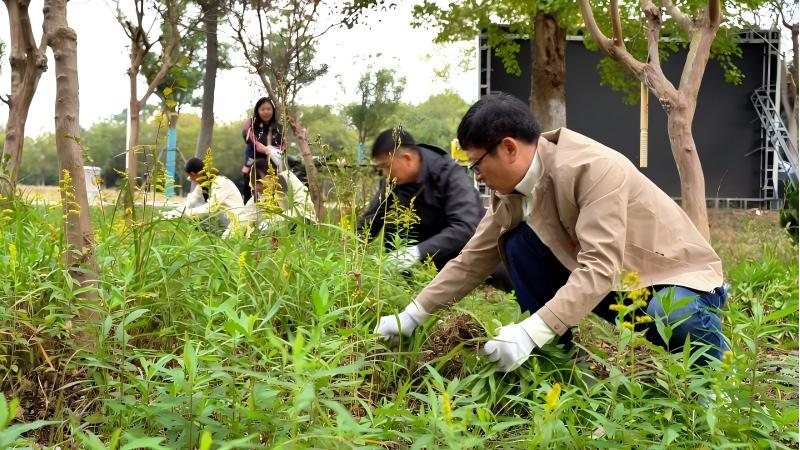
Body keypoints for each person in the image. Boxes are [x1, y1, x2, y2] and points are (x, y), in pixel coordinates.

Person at [375, 94, 729, 372]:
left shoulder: (593, 169)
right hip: (616, 287)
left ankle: (716, 378)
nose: (477, 177)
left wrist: (530, 331)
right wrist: (414, 314)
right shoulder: (510, 195)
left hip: (672, 279)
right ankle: (560, 366)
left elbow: (600, 267)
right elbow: (472, 261)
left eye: (477, 164)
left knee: (676, 313)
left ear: (509, 148)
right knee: (517, 243)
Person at [356, 128, 510, 290]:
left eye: (386, 166)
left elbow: (464, 227)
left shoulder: (449, 174)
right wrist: (352, 249)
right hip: (419, 257)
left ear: (407, 158)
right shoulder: (392, 180)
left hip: (462, 250)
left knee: (502, 273)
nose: (384, 173)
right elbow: (372, 219)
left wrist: (416, 253)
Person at [225, 156, 315, 237]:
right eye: (258, 190)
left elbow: (305, 208)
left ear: (272, 175)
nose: (263, 193)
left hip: (305, 227)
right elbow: (244, 217)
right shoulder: (261, 196)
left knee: (266, 226)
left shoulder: (289, 179)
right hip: (280, 234)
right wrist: (226, 237)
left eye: (264, 186)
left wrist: (274, 220)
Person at [163, 158, 244, 231]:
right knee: (194, 206)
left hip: (233, 220)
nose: (192, 180)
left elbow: (211, 207)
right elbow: (190, 202)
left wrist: (186, 213)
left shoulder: (220, 182)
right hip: (220, 218)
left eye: (191, 177)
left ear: (193, 174)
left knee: (197, 212)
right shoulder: (202, 185)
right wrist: (172, 214)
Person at [241, 96, 286, 203]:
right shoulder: (251, 123)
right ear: (257, 110)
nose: (266, 112)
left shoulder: (278, 127)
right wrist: (265, 149)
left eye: (268, 109)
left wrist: (274, 150)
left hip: (273, 163)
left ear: (273, 110)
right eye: (262, 109)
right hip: (254, 160)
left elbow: (283, 145)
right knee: (250, 186)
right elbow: (248, 137)